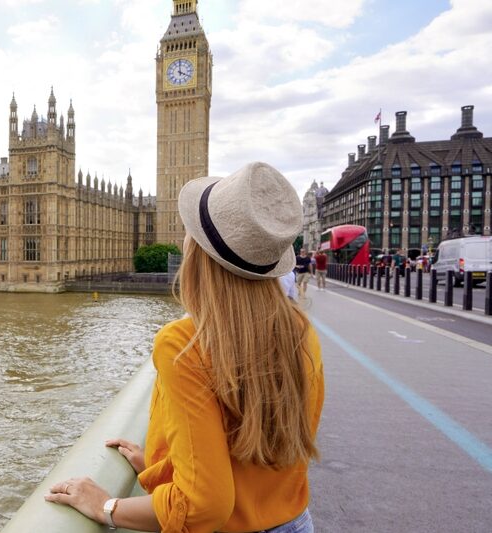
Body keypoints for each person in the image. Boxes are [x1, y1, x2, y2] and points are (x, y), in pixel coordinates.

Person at [45, 162, 324, 533]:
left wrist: (106, 506)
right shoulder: (300, 330)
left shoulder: (183, 345)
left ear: (199, 255)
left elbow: (205, 505)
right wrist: (163, 466)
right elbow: (255, 452)